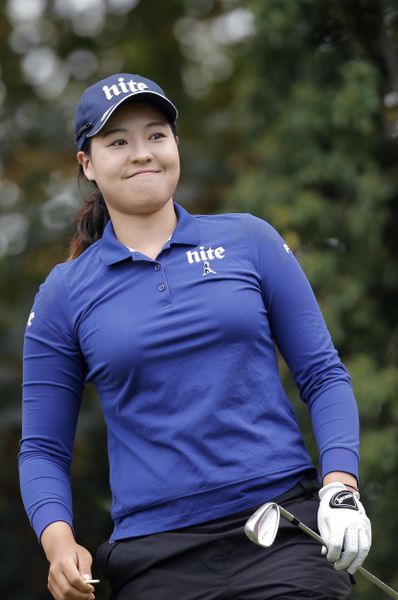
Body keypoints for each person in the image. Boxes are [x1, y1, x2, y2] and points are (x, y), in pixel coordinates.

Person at [19, 73, 372, 600]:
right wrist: (58, 541)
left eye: (156, 135)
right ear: (87, 163)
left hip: (283, 532)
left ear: (176, 145)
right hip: (157, 558)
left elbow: (322, 374)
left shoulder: (249, 240)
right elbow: (42, 449)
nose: (142, 153)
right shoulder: (63, 293)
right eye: (118, 141)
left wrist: (341, 486)